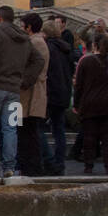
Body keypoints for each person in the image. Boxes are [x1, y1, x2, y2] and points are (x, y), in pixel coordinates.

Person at [0, 6, 43, 179]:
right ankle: (9, 167)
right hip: (14, 91)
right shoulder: (24, 37)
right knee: (11, 129)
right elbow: (39, 60)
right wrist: (25, 81)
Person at [74, 32, 108, 175]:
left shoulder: (86, 61)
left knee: (89, 136)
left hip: (90, 102)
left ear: (94, 45)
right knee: (107, 137)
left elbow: (78, 85)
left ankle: (89, 166)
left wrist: (76, 104)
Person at [17, 13, 49, 177]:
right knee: (29, 132)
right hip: (32, 94)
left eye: (23, 26)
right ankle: (31, 166)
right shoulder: (39, 41)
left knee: (27, 133)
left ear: (29, 27)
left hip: (30, 95)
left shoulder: (34, 42)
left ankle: (32, 168)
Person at [40, 18, 72, 176]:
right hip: (63, 93)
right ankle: (60, 162)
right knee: (59, 130)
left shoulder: (48, 48)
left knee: (38, 127)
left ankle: (50, 161)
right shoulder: (65, 48)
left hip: (51, 93)